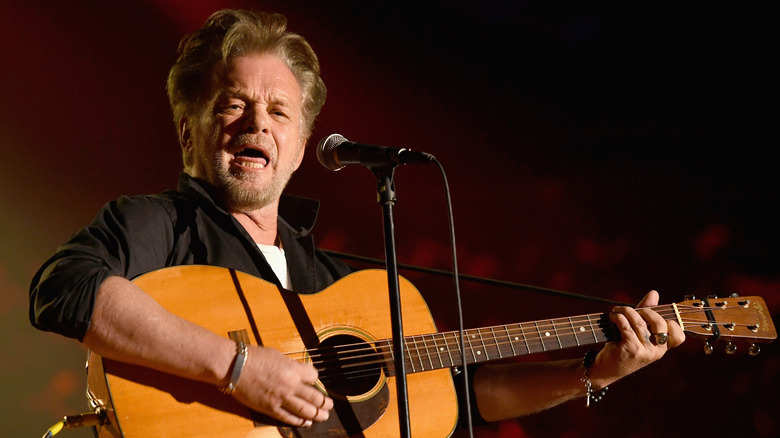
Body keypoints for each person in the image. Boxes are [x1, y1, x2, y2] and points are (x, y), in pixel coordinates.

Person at [29, 9, 684, 435]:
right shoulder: (157, 225)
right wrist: (237, 368)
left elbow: (467, 394)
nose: (259, 122)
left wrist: (595, 373)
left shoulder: (336, 284)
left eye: (280, 112)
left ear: (302, 142)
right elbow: (66, 289)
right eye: (235, 104)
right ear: (187, 130)